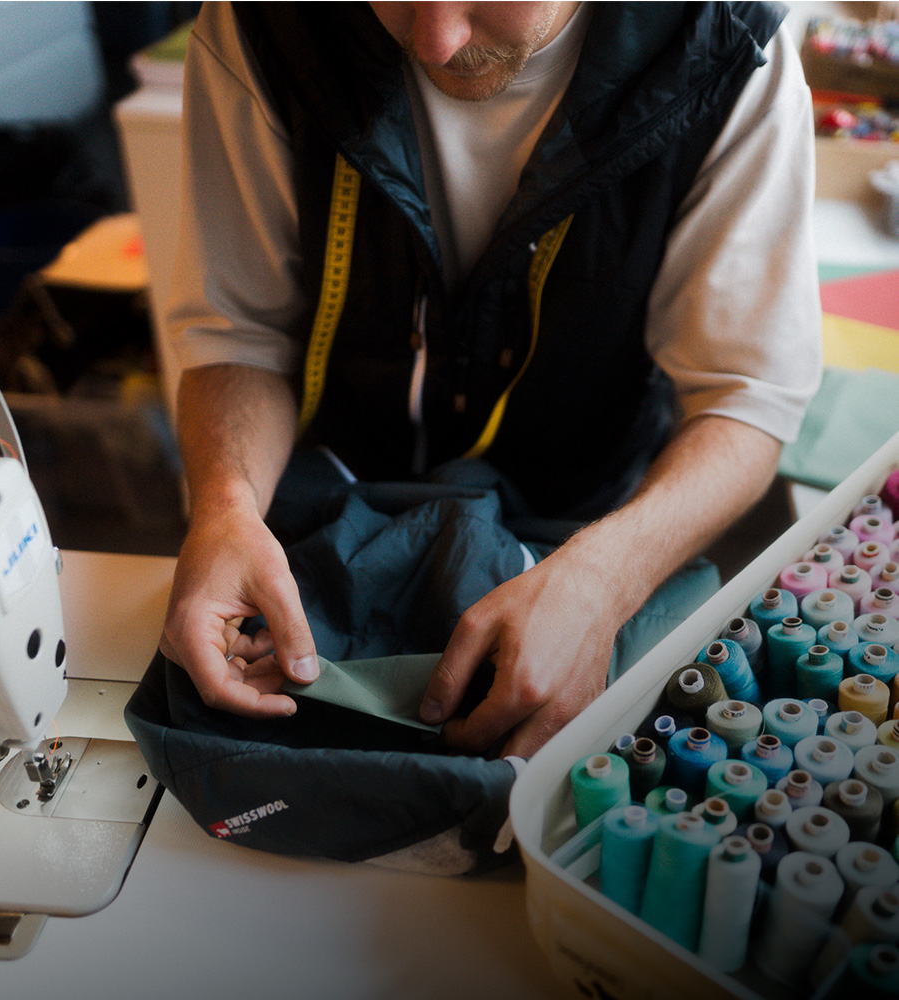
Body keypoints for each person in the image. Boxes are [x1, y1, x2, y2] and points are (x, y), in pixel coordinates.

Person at [159, 2, 822, 759]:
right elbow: (240, 333)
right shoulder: (264, 25)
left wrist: (604, 582)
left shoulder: (729, 48)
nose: (437, 41)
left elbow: (744, 394)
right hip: (338, 513)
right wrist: (224, 504)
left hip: (593, 522)